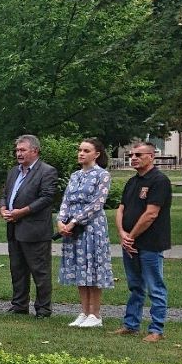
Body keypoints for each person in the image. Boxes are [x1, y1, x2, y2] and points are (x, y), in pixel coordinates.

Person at [114, 142, 172, 342]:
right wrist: (122, 233)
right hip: (130, 243)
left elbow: (151, 214)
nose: (134, 157)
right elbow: (121, 209)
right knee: (135, 286)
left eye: (139, 154)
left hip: (150, 243)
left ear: (151, 156)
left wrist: (131, 236)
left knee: (155, 286)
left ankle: (157, 329)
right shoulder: (132, 182)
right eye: (132, 154)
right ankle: (131, 324)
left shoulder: (159, 181)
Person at [0, 134, 59, 318]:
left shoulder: (47, 171)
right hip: (14, 228)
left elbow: (47, 198)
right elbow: (5, 194)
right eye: (17, 150)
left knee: (39, 271)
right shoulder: (14, 172)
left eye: (22, 150)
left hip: (35, 229)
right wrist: (2, 208)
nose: (18, 153)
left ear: (35, 151)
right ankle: (19, 305)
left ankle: (43, 309)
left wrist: (22, 211)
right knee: (17, 269)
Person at [57, 138, 113, 328]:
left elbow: (97, 203)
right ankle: (84, 311)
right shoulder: (75, 175)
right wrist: (60, 220)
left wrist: (74, 221)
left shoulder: (102, 175)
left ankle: (95, 314)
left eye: (86, 150)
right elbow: (66, 199)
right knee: (80, 268)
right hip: (72, 227)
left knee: (93, 268)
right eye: (80, 150)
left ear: (96, 154)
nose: (81, 153)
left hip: (92, 226)